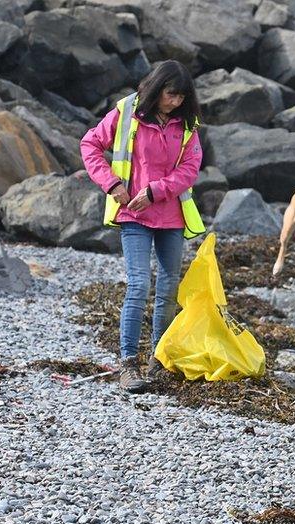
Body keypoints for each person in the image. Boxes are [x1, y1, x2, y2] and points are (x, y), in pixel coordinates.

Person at [80, 60, 205, 393]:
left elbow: (191, 169)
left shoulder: (187, 124)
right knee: (138, 285)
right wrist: (112, 184)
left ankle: (158, 361)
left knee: (168, 289)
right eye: (170, 95)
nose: (175, 102)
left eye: (181, 97)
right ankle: (128, 364)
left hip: (172, 217)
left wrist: (155, 191)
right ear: (156, 87)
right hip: (133, 215)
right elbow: (89, 145)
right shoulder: (126, 112)